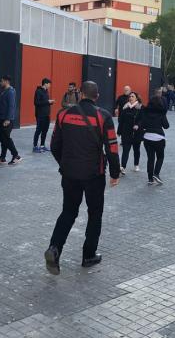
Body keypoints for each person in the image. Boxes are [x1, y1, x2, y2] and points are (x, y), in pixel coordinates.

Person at [44, 81, 121, 275]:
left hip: (69, 173)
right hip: (94, 174)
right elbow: (112, 147)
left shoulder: (63, 114)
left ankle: (54, 248)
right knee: (95, 213)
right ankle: (88, 255)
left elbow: (54, 145)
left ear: (80, 94)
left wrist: (64, 163)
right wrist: (115, 173)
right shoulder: (103, 116)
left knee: (68, 212)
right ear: (97, 96)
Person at [139, 95, 170, 185]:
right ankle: (156, 173)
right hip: (159, 138)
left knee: (150, 158)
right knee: (160, 157)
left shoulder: (146, 112)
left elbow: (143, 125)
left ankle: (150, 178)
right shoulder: (161, 113)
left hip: (147, 137)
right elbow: (166, 126)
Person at [0, 75, 22, 165]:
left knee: (6, 139)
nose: (0, 83)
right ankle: (2, 157)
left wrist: (8, 119)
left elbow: (11, 106)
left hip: (7, 120)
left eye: (2, 81)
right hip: (2, 119)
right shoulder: (4, 91)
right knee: (3, 139)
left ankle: (16, 155)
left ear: (6, 81)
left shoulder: (10, 92)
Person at [118, 91, 143, 174]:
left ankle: (136, 164)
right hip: (126, 132)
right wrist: (119, 131)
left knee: (136, 150)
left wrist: (138, 125)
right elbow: (121, 120)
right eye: (130, 96)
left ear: (136, 98)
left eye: (132, 96)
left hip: (136, 132)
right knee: (125, 150)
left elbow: (143, 119)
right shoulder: (125, 108)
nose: (130, 98)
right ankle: (122, 167)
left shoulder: (140, 107)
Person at [33, 78, 55, 153]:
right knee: (38, 130)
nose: (50, 85)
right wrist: (47, 101)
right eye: (49, 84)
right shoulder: (38, 91)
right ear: (45, 83)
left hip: (46, 115)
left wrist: (50, 102)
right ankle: (35, 146)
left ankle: (42, 145)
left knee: (45, 131)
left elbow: (44, 102)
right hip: (40, 115)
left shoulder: (46, 91)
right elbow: (36, 103)